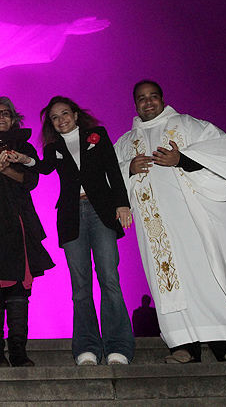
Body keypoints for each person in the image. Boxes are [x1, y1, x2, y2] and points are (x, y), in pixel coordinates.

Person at [114, 80, 226, 365]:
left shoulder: (189, 125)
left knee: (207, 277)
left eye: (153, 96)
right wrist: (128, 168)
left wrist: (182, 159)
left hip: (192, 222)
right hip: (156, 231)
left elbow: (223, 155)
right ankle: (183, 345)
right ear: (135, 104)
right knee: (167, 285)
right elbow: (108, 177)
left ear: (163, 99)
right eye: (142, 98)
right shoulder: (126, 142)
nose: (148, 102)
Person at [9, 96, 135, 366]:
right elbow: (43, 168)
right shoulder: (54, 147)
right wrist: (25, 159)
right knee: (80, 286)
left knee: (109, 279)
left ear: (76, 114)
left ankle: (118, 347)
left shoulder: (97, 135)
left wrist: (122, 204)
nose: (61, 120)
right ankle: (86, 348)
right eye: (55, 117)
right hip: (70, 216)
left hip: (100, 212)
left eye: (65, 113)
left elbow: (113, 170)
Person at [0, 97, 55, 367]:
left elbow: (30, 180)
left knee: (18, 288)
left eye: (6, 114)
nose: (1, 118)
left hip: (16, 225)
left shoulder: (23, 147)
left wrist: (4, 168)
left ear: (14, 119)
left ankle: (18, 352)